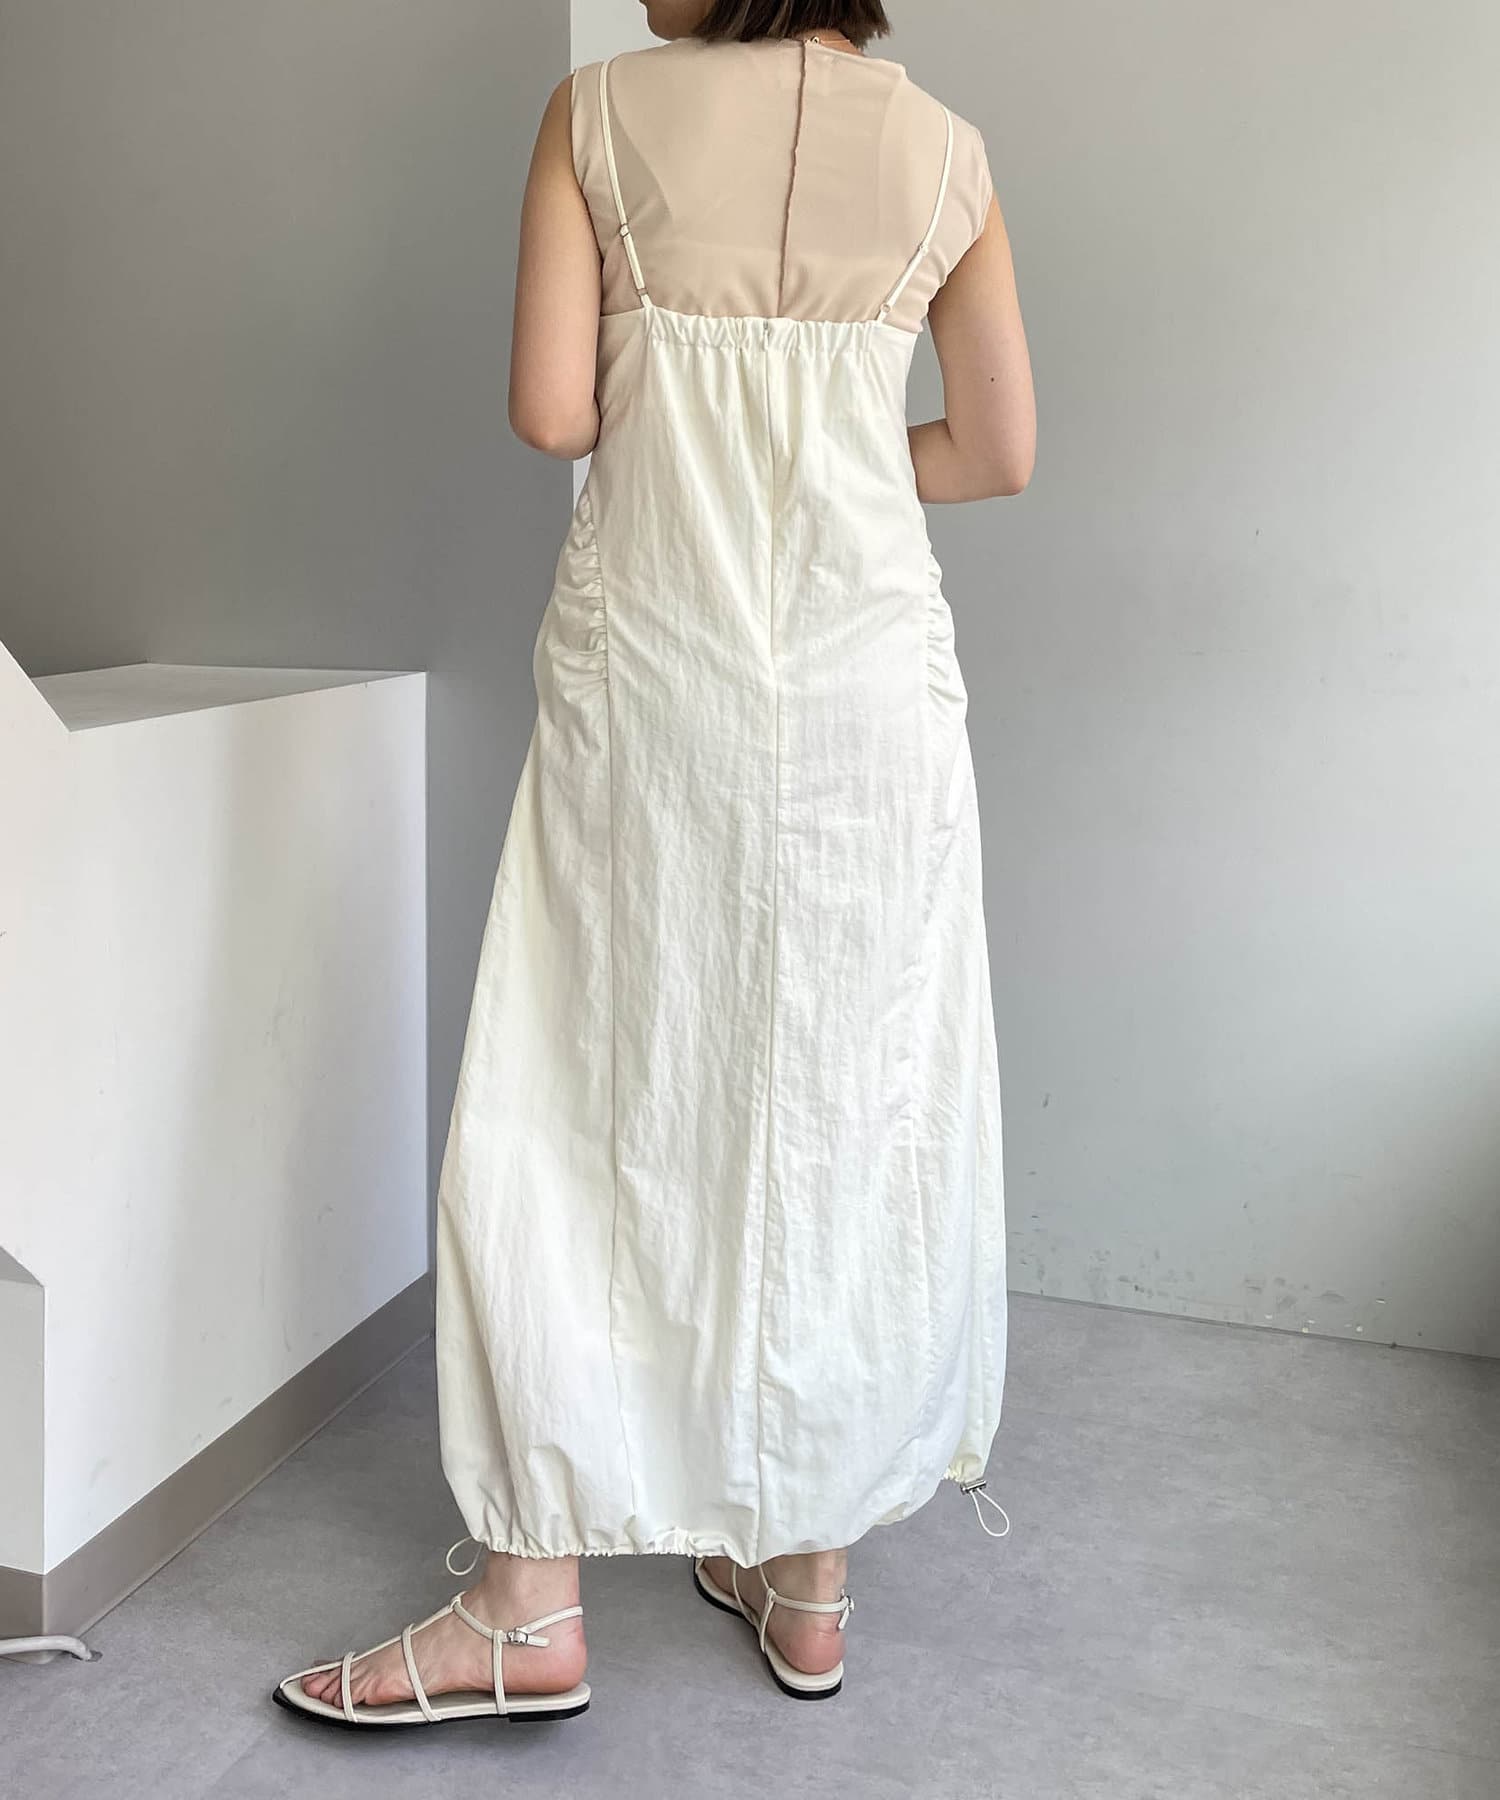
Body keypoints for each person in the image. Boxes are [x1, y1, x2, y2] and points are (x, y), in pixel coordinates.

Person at [274, 0, 1035, 1730]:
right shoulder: (948, 156)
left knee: (573, 1094)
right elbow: (997, 452)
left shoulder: (599, 117)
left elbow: (556, 413)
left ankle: (527, 1605)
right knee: (848, 1104)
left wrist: (702, 417)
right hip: (869, 706)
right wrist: (833, 448)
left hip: (656, 684)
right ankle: (807, 1576)